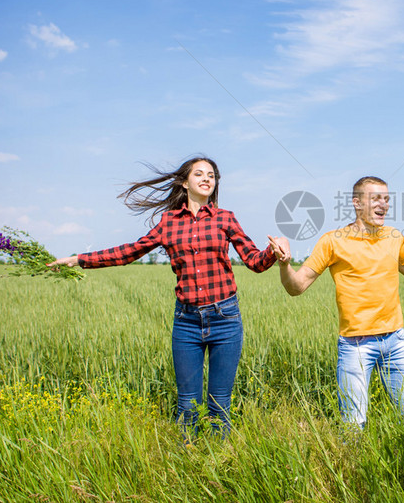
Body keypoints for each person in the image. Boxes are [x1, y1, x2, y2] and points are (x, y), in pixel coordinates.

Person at [48, 156, 279, 437]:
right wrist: (80, 259)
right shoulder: (168, 222)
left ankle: (222, 462)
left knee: (220, 404)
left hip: (225, 319)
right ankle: (188, 460)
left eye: (212, 175)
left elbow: (254, 261)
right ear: (185, 182)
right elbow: (128, 252)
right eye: (199, 174)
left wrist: (274, 252)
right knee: (187, 405)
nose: (207, 179)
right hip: (187, 322)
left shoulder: (225, 218)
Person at [267, 176, 404, 428]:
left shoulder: (394, 237)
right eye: (375, 198)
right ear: (357, 203)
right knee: (354, 425)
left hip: (397, 341)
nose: (383, 204)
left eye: (386, 199)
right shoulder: (332, 241)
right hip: (356, 346)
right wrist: (284, 265)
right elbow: (297, 287)